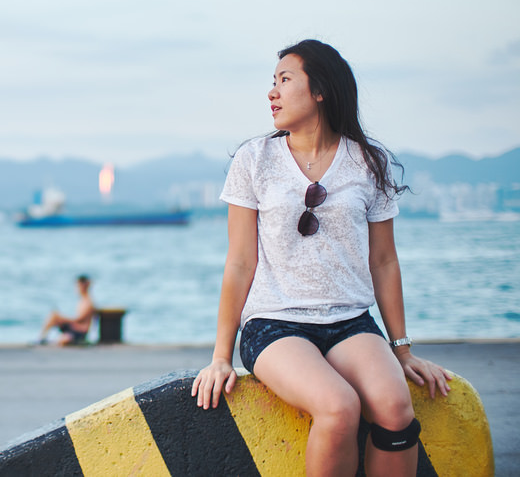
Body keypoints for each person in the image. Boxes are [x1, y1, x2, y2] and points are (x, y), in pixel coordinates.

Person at [191, 39, 451, 476]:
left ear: (320, 91)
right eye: (272, 83)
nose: (272, 92)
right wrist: (220, 355)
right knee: (339, 406)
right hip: (275, 323)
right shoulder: (255, 159)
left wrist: (401, 350)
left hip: (350, 321)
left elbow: (384, 261)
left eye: (285, 80)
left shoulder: (369, 162)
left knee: (395, 408)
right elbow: (239, 262)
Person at [37, 275, 95, 345]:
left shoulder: (88, 302)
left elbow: (79, 319)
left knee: (55, 316)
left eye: (79, 286)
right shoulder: (83, 300)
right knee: (54, 316)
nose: (78, 288)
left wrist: (63, 319)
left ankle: (42, 338)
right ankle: (42, 338)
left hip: (80, 330)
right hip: (76, 327)